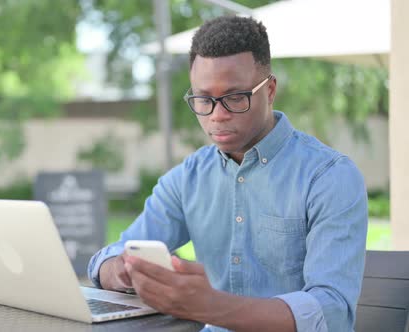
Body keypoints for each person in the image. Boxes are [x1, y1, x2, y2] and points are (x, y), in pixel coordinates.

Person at [87, 15, 368, 332]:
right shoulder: (189, 178)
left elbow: (331, 312)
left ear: (270, 90)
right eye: (204, 99)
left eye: (235, 97)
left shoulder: (329, 177)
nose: (217, 116)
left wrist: (211, 307)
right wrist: (122, 271)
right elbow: (115, 254)